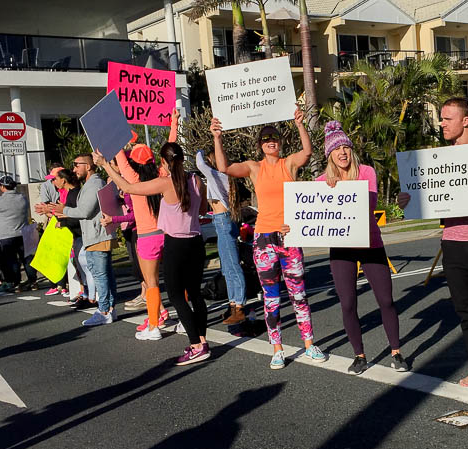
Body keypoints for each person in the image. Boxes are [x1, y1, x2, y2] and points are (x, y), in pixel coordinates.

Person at [397, 97, 468, 391]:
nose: (442, 124)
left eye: (448, 118)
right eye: (442, 119)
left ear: (466, 120)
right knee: (466, 310)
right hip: (452, 243)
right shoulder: (442, 161)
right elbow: (430, 198)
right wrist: (408, 202)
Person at [288, 120, 408, 375]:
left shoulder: (366, 172)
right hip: (341, 249)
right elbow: (308, 215)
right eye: (336, 149)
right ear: (329, 154)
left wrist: (342, 191)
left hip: (370, 244)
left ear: (350, 150)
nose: (342, 152)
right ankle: (359, 355)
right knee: (348, 303)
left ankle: (396, 352)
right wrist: (292, 226)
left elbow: (367, 205)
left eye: (345, 147)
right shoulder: (321, 181)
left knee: (386, 300)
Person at [210, 110, 327, 370]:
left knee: (299, 294)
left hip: (289, 237)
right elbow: (224, 168)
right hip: (263, 239)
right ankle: (277, 349)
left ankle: (309, 343)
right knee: (271, 297)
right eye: (265, 139)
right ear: (260, 145)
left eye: (274, 137)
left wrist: (300, 125)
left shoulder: (289, 164)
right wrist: (217, 138)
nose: (270, 141)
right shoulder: (255, 167)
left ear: (281, 142)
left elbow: (307, 152)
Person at [95, 143, 211, 365]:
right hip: (196, 242)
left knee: (177, 296)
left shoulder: (165, 183)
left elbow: (128, 188)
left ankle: (196, 345)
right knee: (195, 294)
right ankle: (202, 341)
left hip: (176, 244)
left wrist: (105, 166)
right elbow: (204, 210)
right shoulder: (195, 180)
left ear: (164, 162)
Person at [104, 137, 172, 340]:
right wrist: (174, 123)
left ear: (134, 163)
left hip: (146, 237)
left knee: (151, 283)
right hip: (166, 233)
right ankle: (170, 317)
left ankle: (154, 325)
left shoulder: (132, 179)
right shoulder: (161, 176)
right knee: (176, 280)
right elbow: (170, 147)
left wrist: (106, 161)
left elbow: (120, 161)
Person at [48, 155, 116, 326]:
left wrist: (64, 210)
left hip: (97, 235)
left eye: (77, 165)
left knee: (101, 275)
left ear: (88, 166)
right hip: (92, 235)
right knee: (103, 274)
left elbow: (84, 211)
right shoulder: (90, 184)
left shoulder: (94, 184)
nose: (74, 169)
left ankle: (105, 310)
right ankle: (108, 309)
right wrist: (61, 211)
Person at [196, 147, 248, 327]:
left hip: (223, 221)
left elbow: (199, 163)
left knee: (232, 265)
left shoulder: (218, 175)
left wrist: (200, 150)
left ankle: (239, 305)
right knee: (227, 267)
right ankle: (233, 304)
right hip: (221, 221)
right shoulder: (217, 177)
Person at [0, 175, 33, 292]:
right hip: (23, 232)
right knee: (27, 258)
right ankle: (33, 282)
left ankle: (16, 282)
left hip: (7, 234)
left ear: (3, 187)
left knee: (12, 260)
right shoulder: (22, 198)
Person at [37, 163, 68, 296]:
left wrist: (51, 212)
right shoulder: (49, 186)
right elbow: (46, 205)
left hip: (62, 223)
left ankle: (63, 284)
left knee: (63, 255)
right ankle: (57, 283)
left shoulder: (68, 189)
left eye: (54, 178)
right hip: (54, 221)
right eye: (51, 179)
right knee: (53, 254)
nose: (53, 181)